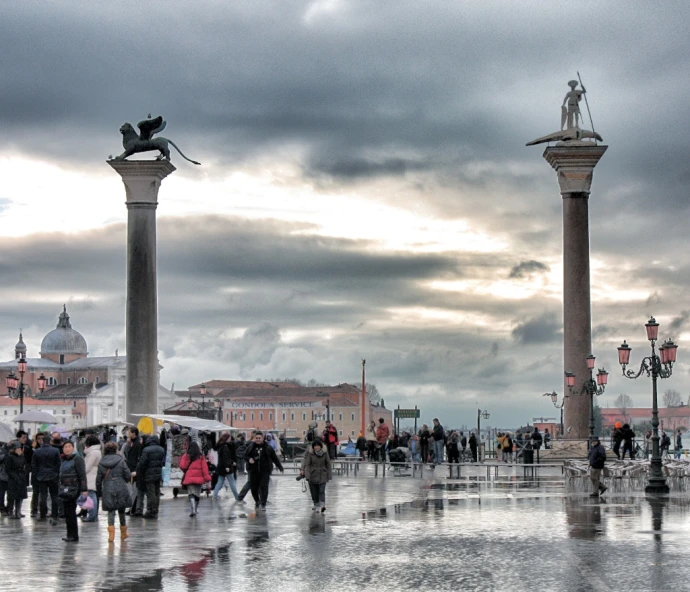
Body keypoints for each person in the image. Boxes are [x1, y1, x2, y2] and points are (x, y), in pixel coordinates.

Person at [97, 441, 132, 544]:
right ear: (116, 450)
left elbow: (98, 480)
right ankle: (123, 532)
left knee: (111, 511)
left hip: (108, 487)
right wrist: (125, 479)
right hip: (121, 486)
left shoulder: (101, 462)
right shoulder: (121, 460)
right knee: (121, 510)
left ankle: (111, 535)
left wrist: (99, 493)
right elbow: (127, 474)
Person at [245, 431, 283, 511]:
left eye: (259, 438)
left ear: (262, 438)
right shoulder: (251, 447)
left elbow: (274, 458)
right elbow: (245, 456)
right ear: (255, 438)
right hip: (253, 471)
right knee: (254, 488)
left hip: (265, 471)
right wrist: (249, 459)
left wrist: (280, 466)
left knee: (264, 487)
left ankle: (263, 504)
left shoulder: (268, 447)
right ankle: (257, 501)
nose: (258, 439)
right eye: (256, 438)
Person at [59, 440, 88, 542]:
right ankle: (69, 534)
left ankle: (73, 535)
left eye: (69, 446)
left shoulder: (77, 459)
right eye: (65, 447)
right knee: (67, 513)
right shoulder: (63, 460)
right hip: (65, 489)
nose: (67, 449)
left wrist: (84, 489)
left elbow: (82, 475)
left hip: (75, 489)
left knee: (71, 512)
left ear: (73, 448)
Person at [32, 431, 61, 525]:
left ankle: (43, 515)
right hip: (53, 476)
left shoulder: (37, 451)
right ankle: (55, 514)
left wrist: (37, 475)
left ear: (43, 441)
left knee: (43, 496)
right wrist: (56, 473)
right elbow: (58, 464)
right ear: (50, 441)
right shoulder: (55, 450)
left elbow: (34, 465)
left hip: (41, 477)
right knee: (54, 496)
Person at [135, 435, 165, 519]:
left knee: (150, 493)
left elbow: (142, 463)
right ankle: (155, 510)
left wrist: (140, 472)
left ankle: (151, 511)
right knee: (157, 492)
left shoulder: (146, 450)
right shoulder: (161, 449)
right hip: (158, 474)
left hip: (148, 474)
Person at [180, 442, 211, 517]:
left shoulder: (186, 456)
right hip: (199, 479)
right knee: (197, 494)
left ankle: (193, 509)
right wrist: (207, 478)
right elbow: (205, 469)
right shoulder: (201, 457)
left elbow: (182, 466)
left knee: (191, 494)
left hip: (189, 477)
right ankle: (195, 509)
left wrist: (186, 471)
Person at [301, 438, 332, 512]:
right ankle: (316, 504)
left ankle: (322, 505)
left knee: (322, 490)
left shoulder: (325, 453)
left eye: (318, 445)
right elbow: (306, 462)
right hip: (313, 475)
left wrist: (329, 475)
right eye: (315, 445)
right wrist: (304, 471)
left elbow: (328, 464)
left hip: (323, 475)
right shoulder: (310, 452)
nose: (317, 447)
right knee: (314, 491)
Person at [212, 432, 239, 501]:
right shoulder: (225, 447)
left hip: (220, 467)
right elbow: (225, 457)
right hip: (226, 468)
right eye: (229, 438)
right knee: (232, 482)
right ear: (226, 439)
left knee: (220, 481)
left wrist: (232, 462)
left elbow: (225, 458)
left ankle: (214, 496)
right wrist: (227, 466)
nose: (230, 440)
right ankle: (237, 497)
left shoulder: (221, 446)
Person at [121, 427, 142, 515]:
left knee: (135, 490)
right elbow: (126, 454)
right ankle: (132, 508)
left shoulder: (138, 443)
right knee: (132, 489)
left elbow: (138, 458)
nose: (128, 433)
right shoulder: (130, 443)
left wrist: (136, 469)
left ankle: (134, 508)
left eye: (129, 432)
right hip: (130, 468)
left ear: (134, 433)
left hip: (134, 469)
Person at [6, 441, 27, 519]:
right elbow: (8, 469)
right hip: (13, 479)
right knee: (12, 496)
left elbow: (24, 465)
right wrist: (14, 476)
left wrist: (23, 473)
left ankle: (17, 511)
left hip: (21, 478)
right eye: (17, 448)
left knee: (19, 496)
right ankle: (11, 511)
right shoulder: (10, 457)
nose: (19, 450)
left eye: (20, 448)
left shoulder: (22, 456)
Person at [82, 434, 102, 522]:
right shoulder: (97, 451)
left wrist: (82, 473)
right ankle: (93, 515)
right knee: (92, 495)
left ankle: (92, 515)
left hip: (90, 476)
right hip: (93, 474)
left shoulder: (93, 452)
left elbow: (88, 466)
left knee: (91, 495)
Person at [0, 441, 8, 515]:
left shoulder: (10, 448)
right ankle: (2, 508)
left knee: (9, 492)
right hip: (2, 474)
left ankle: (8, 508)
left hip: (9, 474)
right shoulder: (2, 449)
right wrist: (5, 455)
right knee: (2, 492)